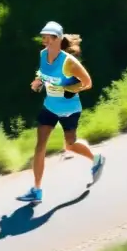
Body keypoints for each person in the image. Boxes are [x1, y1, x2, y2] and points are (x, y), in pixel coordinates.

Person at [17, 21, 105, 203]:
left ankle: (96, 158)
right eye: (43, 38)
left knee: (70, 145)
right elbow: (42, 73)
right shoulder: (43, 55)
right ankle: (37, 190)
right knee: (40, 146)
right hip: (49, 106)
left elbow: (88, 82)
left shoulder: (69, 62)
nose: (44, 41)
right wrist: (38, 81)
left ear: (57, 39)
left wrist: (69, 88)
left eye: (48, 38)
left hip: (69, 108)